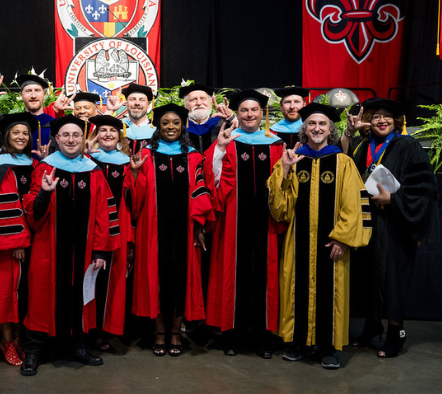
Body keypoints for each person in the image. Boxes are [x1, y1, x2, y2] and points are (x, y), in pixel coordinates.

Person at [267, 103, 372, 369]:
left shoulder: (343, 162)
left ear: (330, 130)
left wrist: (343, 238)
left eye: (322, 124)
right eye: (311, 124)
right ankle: (297, 342)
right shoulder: (291, 159)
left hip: (332, 243)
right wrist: (287, 171)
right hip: (298, 240)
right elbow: (280, 209)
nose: (317, 128)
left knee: (332, 293)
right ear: (304, 129)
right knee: (295, 287)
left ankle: (329, 348)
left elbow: (355, 204)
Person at [20, 115, 119, 376]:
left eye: (76, 135)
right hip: (48, 249)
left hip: (84, 251)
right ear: (56, 139)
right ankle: (34, 350)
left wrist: (100, 250)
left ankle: (77, 345)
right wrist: (44, 193)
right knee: (41, 297)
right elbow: (31, 213)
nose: (71, 139)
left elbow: (103, 213)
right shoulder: (44, 169)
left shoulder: (94, 170)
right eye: (65, 135)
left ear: (82, 139)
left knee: (80, 296)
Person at [341, 98, 437, 358]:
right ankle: (372, 328)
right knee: (367, 278)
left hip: (395, 225)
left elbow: (424, 189)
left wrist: (393, 199)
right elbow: (344, 163)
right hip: (367, 222)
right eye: (375, 116)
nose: (382, 120)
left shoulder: (408, 145)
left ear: (397, 121)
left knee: (393, 280)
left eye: (387, 116)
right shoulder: (362, 146)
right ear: (368, 122)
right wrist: (349, 132)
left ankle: (397, 333)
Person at [131, 104, 214, 357]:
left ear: (183, 126)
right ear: (158, 125)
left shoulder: (194, 157)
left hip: (184, 230)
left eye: (176, 122)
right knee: (155, 278)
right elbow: (136, 200)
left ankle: (176, 332)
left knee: (181, 278)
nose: (170, 127)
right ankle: (159, 332)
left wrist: (199, 226)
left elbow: (201, 192)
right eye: (165, 122)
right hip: (152, 231)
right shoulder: (146, 156)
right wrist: (134, 175)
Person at [205, 89, 283, 358]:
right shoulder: (230, 142)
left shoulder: (276, 144)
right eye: (244, 110)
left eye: (255, 110)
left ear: (263, 114)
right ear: (237, 115)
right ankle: (232, 335)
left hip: (266, 224)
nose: (250, 114)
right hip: (233, 223)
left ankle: (261, 337)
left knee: (265, 275)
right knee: (232, 275)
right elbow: (213, 178)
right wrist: (220, 148)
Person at [0, 112, 37, 367]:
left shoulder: (32, 162)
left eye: (25, 133)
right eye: (16, 133)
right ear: (6, 136)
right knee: (6, 293)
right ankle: (6, 342)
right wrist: (17, 242)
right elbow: (4, 205)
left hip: (30, 242)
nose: (21, 137)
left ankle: (19, 339)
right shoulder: (1, 164)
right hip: (8, 243)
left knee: (23, 294)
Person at [87, 115, 133, 350]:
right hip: (91, 228)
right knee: (89, 279)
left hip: (117, 228)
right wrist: (85, 157)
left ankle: (103, 331)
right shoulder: (87, 160)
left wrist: (134, 174)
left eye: (112, 131)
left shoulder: (127, 162)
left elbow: (133, 198)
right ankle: (86, 330)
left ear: (120, 135)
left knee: (109, 280)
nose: (107, 134)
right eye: (102, 130)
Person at [180, 83, 234, 154]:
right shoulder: (179, 128)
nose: (199, 103)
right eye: (193, 100)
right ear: (185, 105)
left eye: (203, 99)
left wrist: (231, 119)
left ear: (210, 102)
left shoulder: (222, 123)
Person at [110, 83, 156, 154]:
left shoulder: (156, 130)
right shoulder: (117, 126)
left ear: (148, 104)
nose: (137, 103)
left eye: (142, 100)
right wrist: (110, 110)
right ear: (126, 103)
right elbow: (95, 136)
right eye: (132, 99)